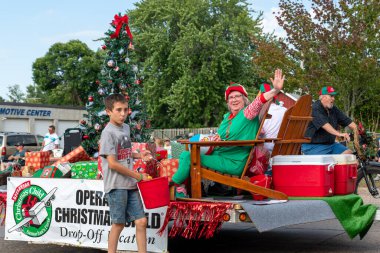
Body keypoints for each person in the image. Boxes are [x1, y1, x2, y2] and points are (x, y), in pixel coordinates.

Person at [171, 69, 285, 191]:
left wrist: (275, 90)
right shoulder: (227, 118)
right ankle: (182, 188)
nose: (234, 100)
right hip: (219, 155)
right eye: (231, 97)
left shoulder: (247, 113)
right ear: (228, 102)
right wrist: (217, 138)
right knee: (185, 154)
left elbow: (258, 102)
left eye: (238, 96)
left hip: (234, 161)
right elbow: (221, 135)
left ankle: (171, 185)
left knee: (189, 157)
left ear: (244, 99)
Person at [99, 93, 153, 253]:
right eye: (118, 110)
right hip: (116, 185)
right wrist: (138, 176)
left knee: (142, 221)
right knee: (118, 224)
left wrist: (139, 154)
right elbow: (112, 163)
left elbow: (124, 152)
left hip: (129, 184)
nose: (123, 114)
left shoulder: (126, 128)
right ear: (108, 111)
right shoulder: (107, 133)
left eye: (125, 110)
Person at [301, 86, 357, 155]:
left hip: (330, 145)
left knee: (349, 155)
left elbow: (347, 121)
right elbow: (325, 125)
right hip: (313, 146)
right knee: (328, 161)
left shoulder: (333, 109)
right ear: (323, 97)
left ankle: (336, 164)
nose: (333, 99)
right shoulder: (315, 108)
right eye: (331, 96)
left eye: (334, 96)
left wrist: (357, 130)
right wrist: (340, 134)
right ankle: (334, 164)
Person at [259, 83, 287, 154]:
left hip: (265, 151)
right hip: (284, 149)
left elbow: (259, 134)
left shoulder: (260, 113)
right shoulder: (286, 111)